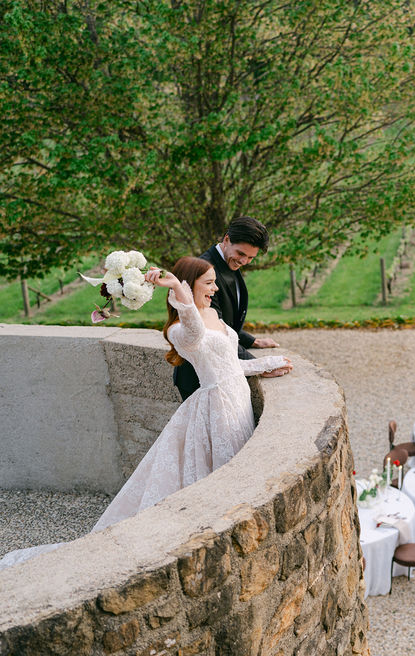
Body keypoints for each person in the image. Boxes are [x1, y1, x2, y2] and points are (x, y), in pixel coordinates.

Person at [0, 258, 292, 569]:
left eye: (213, 282)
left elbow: (229, 366)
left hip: (238, 398)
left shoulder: (213, 314)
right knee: (227, 479)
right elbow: (195, 333)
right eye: (207, 283)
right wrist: (177, 290)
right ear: (188, 286)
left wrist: (265, 364)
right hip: (218, 408)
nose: (215, 288)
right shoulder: (180, 330)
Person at [173, 216, 283, 401]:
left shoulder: (228, 260)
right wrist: (259, 365)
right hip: (199, 378)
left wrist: (252, 340)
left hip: (216, 373)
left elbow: (225, 320)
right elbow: (212, 330)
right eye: (241, 254)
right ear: (226, 240)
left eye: (250, 257)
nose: (244, 261)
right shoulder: (205, 271)